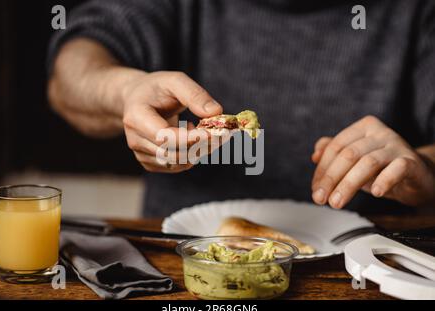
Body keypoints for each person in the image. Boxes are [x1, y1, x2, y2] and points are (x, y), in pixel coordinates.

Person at [47, 0, 435, 217]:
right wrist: (125, 89)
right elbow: (71, 73)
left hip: (361, 274)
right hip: (180, 273)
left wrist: (423, 168)